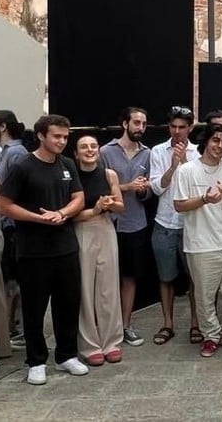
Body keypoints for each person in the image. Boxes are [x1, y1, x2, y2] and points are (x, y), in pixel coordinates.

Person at [0, 114, 88, 385]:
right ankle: (36, 361)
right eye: (56, 136)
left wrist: (61, 213)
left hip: (66, 248)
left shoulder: (68, 164)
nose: (61, 141)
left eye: (65, 136)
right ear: (41, 135)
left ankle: (66, 355)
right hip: (33, 251)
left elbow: (79, 198)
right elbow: (3, 204)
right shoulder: (24, 166)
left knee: (68, 305)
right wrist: (39, 218)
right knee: (35, 309)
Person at [173, 124, 222, 357]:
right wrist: (205, 199)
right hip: (200, 245)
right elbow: (179, 205)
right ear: (206, 142)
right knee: (204, 295)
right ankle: (210, 336)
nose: (219, 146)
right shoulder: (187, 170)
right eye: (216, 140)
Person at [99, 107, 151, 347]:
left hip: (135, 223)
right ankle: (104, 326)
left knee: (129, 277)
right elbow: (96, 187)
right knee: (105, 278)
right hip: (107, 223)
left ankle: (126, 325)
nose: (140, 127)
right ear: (125, 124)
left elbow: (149, 193)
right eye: (136, 123)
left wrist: (143, 190)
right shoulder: (105, 152)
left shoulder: (147, 154)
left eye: (143, 124)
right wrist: (127, 187)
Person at [149, 106, 200, 346]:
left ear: (190, 127)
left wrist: (187, 162)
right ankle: (167, 324)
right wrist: (172, 165)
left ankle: (196, 324)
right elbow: (157, 188)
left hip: (191, 223)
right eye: (173, 127)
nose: (177, 131)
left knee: (195, 277)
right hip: (165, 222)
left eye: (182, 127)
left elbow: (200, 185)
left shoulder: (199, 152)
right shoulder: (158, 151)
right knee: (166, 276)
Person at [72, 135, 125, 366]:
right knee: (85, 288)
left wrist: (109, 204)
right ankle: (89, 345)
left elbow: (121, 206)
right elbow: (70, 215)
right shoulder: (71, 176)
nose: (90, 150)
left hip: (105, 230)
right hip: (81, 230)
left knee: (108, 288)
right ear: (75, 153)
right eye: (84, 147)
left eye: (93, 146)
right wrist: (94, 209)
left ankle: (112, 341)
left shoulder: (109, 174)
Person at [0, 109, 27, 354]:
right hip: (2, 224)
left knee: (16, 280)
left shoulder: (16, 153)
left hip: (12, 226)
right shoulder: (4, 154)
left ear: (2, 127)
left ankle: (19, 329)